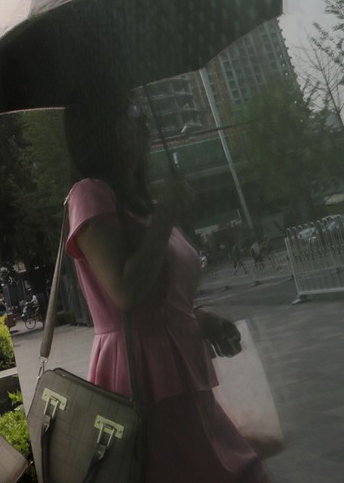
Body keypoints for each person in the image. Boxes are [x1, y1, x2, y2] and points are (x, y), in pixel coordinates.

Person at [63, 90, 271, 483]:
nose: (143, 121)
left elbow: (159, 297)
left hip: (180, 371)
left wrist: (198, 318)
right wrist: (167, 215)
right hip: (146, 380)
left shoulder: (140, 203)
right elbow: (124, 291)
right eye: (131, 112)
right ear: (102, 131)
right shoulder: (89, 194)